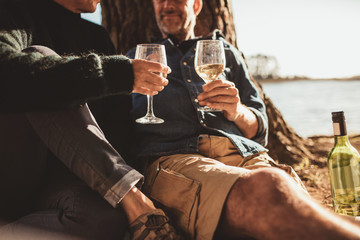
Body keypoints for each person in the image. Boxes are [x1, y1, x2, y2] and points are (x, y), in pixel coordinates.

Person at [127, 0, 360, 239]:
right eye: (159, 0)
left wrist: (237, 110)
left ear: (196, 6)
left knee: (287, 196)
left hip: (243, 152)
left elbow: (260, 129)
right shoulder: (135, 60)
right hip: (176, 160)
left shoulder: (226, 52)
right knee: (270, 189)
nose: (167, 5)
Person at [0, 0, 182, 239]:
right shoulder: (13, 11)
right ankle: (130, 195)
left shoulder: (96, 36)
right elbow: (7, 74)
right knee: (42, 58)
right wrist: (114, 74)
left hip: (63, 182)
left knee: (106, 218)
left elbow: (115, 124)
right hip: (13, 173)